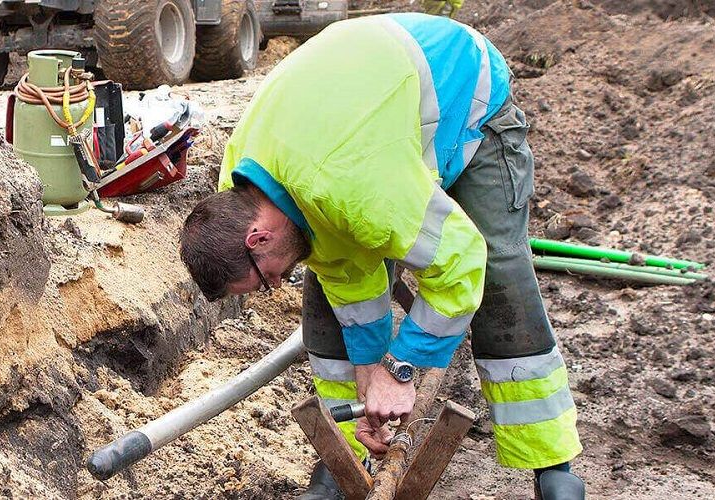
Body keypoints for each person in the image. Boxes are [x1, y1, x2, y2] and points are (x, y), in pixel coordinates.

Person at [179, 12, 587, 500]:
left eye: (266, 277)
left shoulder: (351, 185)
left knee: (498, 272)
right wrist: (372, 384)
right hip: (366, 127)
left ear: (257, 238)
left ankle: (553, 470)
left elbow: (460, 258)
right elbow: (346, 269)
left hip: (464, 97)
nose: (276, 283)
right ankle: (339, 459)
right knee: (324, 298)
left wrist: (403, 370)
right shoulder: (246, 184)